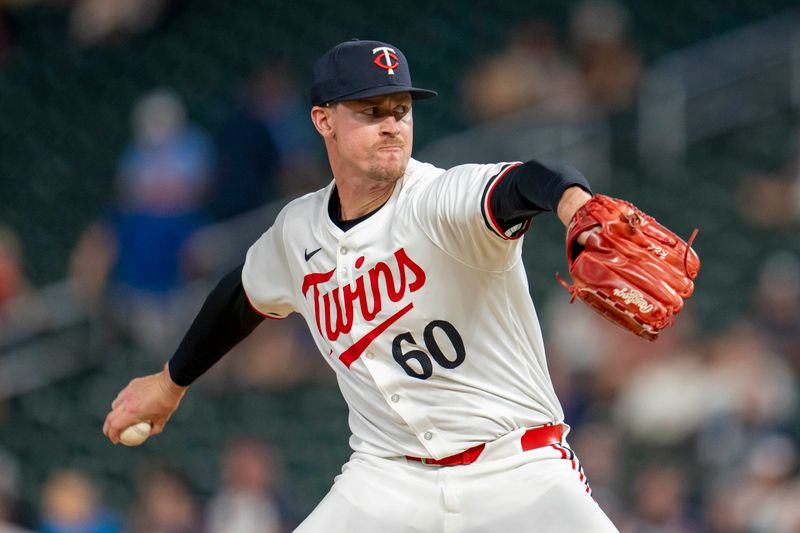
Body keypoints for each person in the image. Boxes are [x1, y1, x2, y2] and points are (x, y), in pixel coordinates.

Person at [103, 39, 618, 531]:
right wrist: (170, 384)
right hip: (388, 479)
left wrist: (576, 208)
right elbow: (241, 296)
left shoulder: (439, 199)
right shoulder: (297, 231)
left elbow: (533, 179)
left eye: (401, 110)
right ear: (323, 120)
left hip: (516, 466)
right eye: (372, 112)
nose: (392, 125)